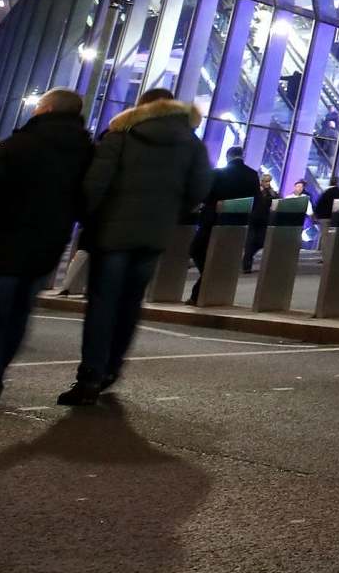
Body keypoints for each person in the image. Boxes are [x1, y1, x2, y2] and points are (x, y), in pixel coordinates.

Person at [58, 89, 213, 405]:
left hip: (112, 233)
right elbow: (199, 188)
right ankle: (112, 368)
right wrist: (169, 213)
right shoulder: (192, 143)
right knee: (130, 303)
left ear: (144, 107)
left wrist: (89, 217)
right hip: (154, 234)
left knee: (103, 304)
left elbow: (95, 183)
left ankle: (90, 376)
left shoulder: (122, 134)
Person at [0, 90, 94, 411]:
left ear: (46, 109)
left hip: (2, 241)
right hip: (47, 245)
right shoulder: (86, 152)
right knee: (17, 315)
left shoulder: (20, 143)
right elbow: (86, 199)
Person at [186, 144, 258, 304]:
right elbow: (256, 199)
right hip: (238, 223)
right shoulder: (252, 175)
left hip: (213, 220)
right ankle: (203, 292)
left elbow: (206, 195)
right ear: (241, 155)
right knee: (224, 256)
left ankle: (203, 285)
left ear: (228, 156)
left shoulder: (218, 173)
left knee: (196, 250)